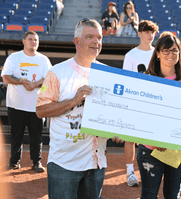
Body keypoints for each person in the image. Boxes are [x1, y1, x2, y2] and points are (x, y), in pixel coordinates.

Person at [35, 18, 123, 199]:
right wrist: (73, 101)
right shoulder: (57, 72)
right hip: (65, 163)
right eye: (90, 37)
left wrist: (117, 130)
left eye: (99, 38)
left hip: (96, 161)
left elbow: (114, 114)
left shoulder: (109, 74)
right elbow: (41, 110)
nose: (96, 42)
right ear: (77, 41)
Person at [137, 31, 181, 199]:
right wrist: (153, 138)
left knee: (172, 196)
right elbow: (139, 114)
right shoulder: (145, 80)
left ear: (180, 53)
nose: (170, 54)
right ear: (157, 53)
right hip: (150, 149)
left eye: (174, 50)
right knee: (148, 195)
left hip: (178, 151)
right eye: (166, 50)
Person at [2, 31, 52, 172]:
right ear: (24, 41)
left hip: (36, 107)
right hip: (16, 105)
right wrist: (22, 82)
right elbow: (5, 77)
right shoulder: (14, 58)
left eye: (36, 40)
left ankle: (36, 162)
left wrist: (35, 84)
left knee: (36, 137)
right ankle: (14, 162)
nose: (33, 42)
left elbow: (49, 80)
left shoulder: (44, 60)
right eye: (30, 39)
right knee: (16, 136)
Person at [122, 19, 159, 187]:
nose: (150, 35)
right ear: (139, 34)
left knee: (154, 139)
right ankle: (130, 172)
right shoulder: (131, 55)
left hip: (154, 104)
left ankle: (151, 173)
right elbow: (125, 81)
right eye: (146, 32)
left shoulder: (158, 53)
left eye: (152, 32)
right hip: (135, 102)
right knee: (130, 138)